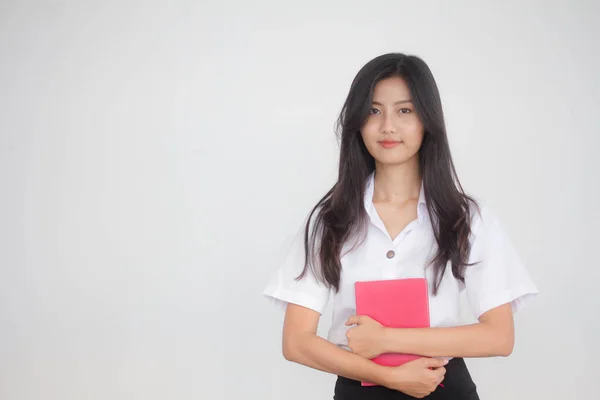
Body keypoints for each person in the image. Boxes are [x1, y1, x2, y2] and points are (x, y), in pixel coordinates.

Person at [262, 53, 538, 399]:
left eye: (404, 111)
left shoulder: (466, 217)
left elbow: (499, 337)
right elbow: (297, 342)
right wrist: (386, 375)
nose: (388, 126)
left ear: (427, 119)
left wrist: (387, 339)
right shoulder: (331, 219)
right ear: (357, 122)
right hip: (358, 388)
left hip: (443, 386)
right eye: (374, 111)